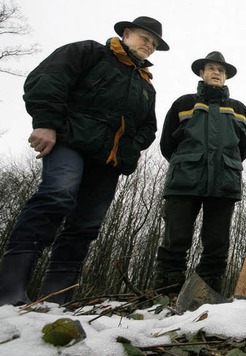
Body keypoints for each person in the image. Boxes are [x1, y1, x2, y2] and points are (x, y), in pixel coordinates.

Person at [0, 16, 169, 306]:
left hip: (108, 161)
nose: (149, 47)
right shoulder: (89, 52)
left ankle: (57, 297)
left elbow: (149, 128)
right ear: (126, 33)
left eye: (154, 44)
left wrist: (131, 148)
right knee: (56, 196)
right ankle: (9, 291)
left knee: (87, 224)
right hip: (69, 142)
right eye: (145, 39)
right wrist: (46, 123)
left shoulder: (145, 86)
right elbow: (48, 79)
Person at [152, 51, 246, 296]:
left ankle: (206, 297)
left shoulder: (239, 109)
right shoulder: (184, 103)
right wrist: (188, 163)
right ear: (201, 72)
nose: (216, 72)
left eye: (221, 70)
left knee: (217, 245)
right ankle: (167, 295)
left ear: (226, 76)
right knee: (176, 241)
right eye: (211, 68)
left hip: (224, 184)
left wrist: (224, 165)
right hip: (184, 182)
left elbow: (243, 149)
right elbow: (167, 145)